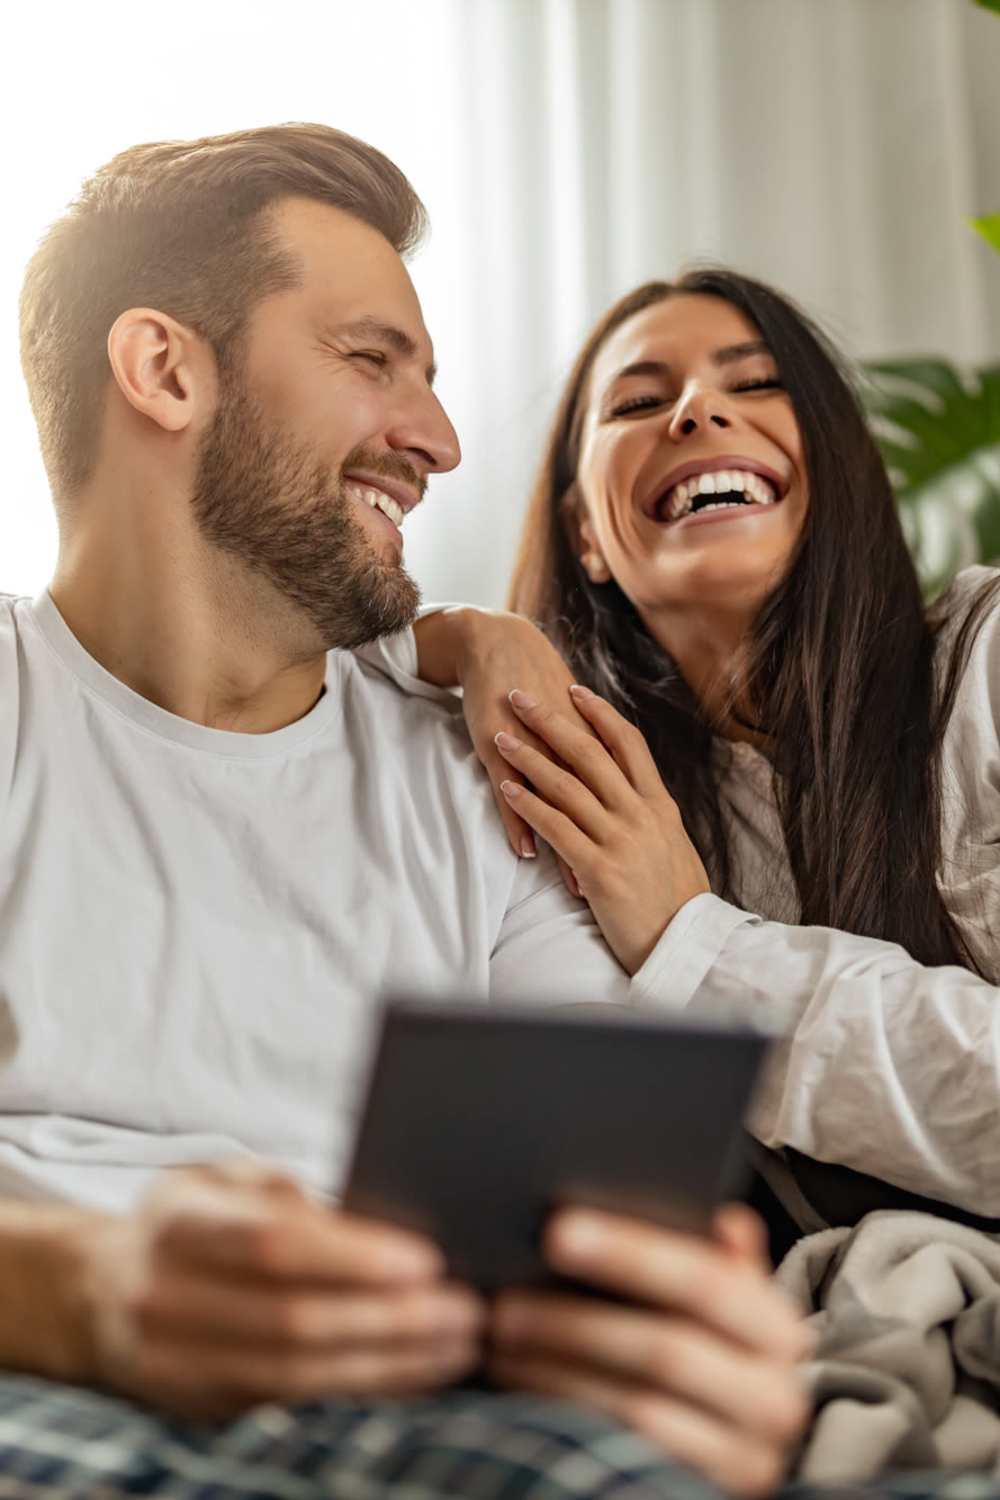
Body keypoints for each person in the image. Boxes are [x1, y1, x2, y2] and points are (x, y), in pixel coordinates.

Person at [0, 128, 809, 1499]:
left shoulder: (480, 767)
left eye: (428, 381)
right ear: (165, 370)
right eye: (371, 361)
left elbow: (607, 1211)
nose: (433, 440)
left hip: (430, 1410)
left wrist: (676, 1342)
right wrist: (87, 1292)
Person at [403, 270, 1000, 1249]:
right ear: (586, 536)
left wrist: (693, 944)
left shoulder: (981, 660)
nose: (696, 410)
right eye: (639, 401)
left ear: (836, 464)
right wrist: (465, 635)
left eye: (756, 383)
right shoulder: (586, 796)